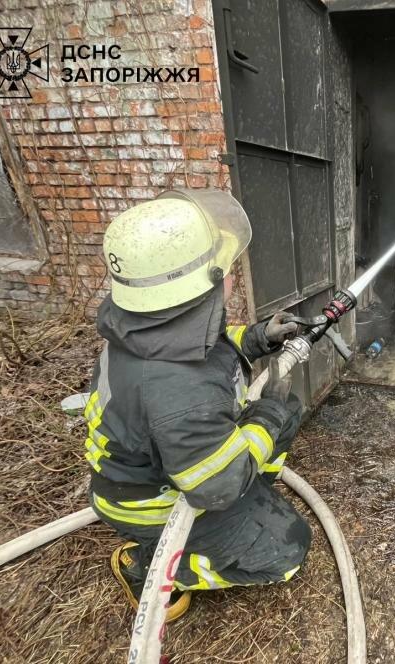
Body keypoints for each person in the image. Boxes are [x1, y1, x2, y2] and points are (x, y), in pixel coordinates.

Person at [83, 188, 309, 621]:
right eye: (220, 264)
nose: (230, 274)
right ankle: (152, 567)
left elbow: (210, 349)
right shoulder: (179, 393)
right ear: (197, 282)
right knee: (289, 548)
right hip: (157, 502)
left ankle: (250, 491)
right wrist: (268, 413)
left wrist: (260, 337)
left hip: (170, 461)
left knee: (286, 410)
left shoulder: (148, 326)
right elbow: (215, 486)